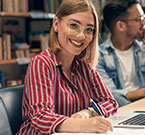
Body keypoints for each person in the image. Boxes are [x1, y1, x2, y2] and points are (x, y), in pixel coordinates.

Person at [17, 0, 118, 134]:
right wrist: (84, 125)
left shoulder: (84, 66)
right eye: (73, 25)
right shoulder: (42, 63)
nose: (81, 35)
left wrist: (89, 112)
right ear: (56, 24)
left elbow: (110, 102)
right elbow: (40, 117)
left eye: (89, 29)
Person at [96, 0, 145, 107]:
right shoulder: (99, 56)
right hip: (120, 111)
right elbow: (110, 95)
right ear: (121, 26)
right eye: (139, 19)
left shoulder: (144, 48)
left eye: (143, 17)